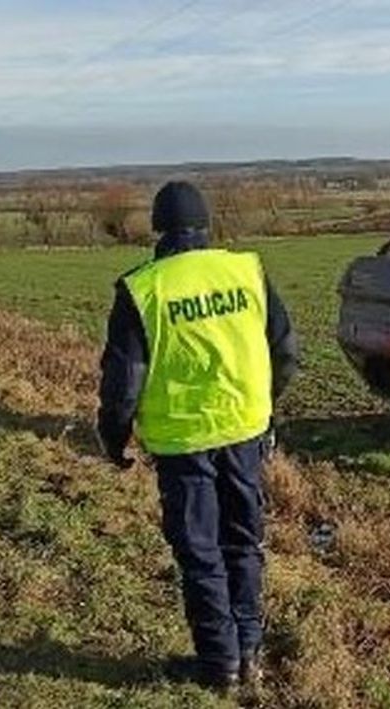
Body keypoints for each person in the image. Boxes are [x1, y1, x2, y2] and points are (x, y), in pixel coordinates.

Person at [97, 181, 298, 690]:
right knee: (244, 542)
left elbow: (123, 384)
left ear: (158, 229)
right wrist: (265, 406)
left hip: (183, 444)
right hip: (246, 433)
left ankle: (220, 664)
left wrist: (113, 438)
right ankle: (249, 651)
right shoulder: (247, 271)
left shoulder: (144, 288)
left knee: (200, 551)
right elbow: (286, 350)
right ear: (207, 224)